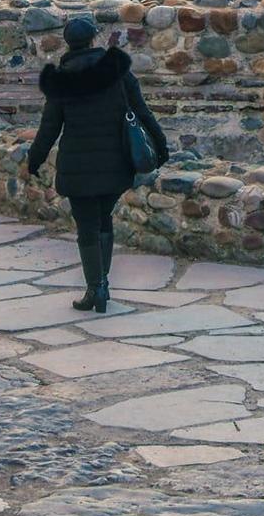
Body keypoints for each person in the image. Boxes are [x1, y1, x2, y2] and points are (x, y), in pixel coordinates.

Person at [26, 16, 169, 313]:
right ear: (93, 39)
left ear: (68, 44)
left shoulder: (62, 80)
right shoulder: (117, 71)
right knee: (104, 219)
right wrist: (161, 146)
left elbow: (49, 128)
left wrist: (34, 159)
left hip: (77, 167)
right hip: (115, 163)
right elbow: (142, 112)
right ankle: (102, 286)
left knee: (87, 227)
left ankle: (96, 288)